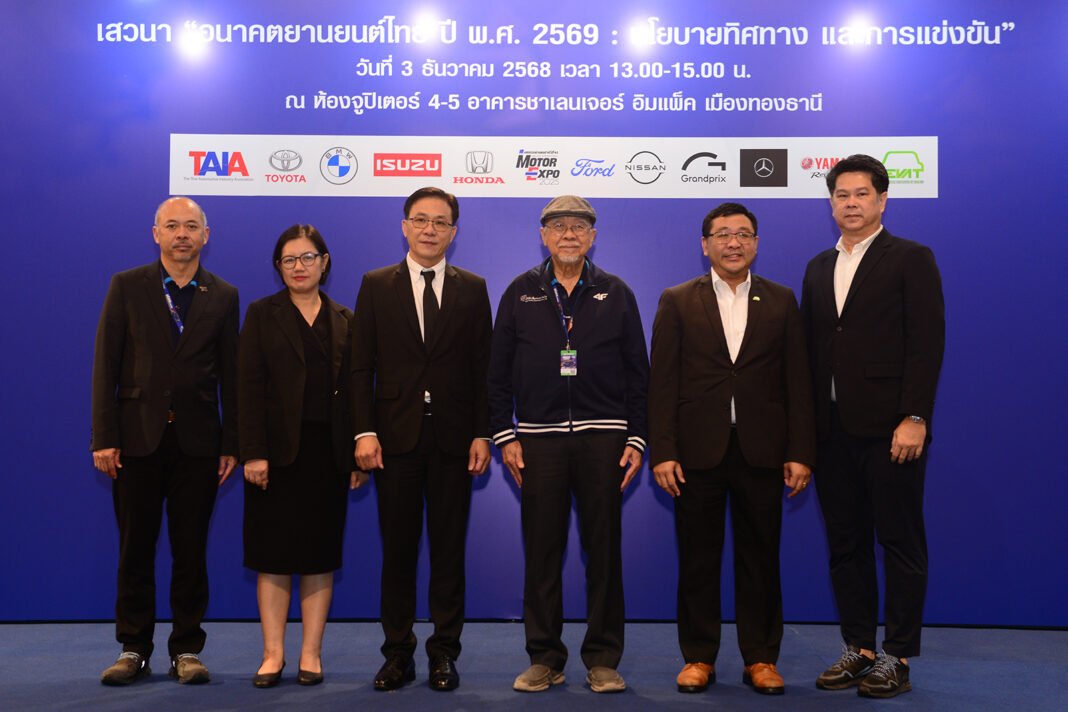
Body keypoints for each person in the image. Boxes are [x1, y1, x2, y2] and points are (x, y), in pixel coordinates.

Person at [648, 202, 816, 695]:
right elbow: (662, 383)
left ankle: (761, 658)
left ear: (756, 244)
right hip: (696, 452)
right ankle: (698, 656)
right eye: (723, 234)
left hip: (763, 450)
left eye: (743, 234)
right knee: (697, 559)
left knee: (760, 558)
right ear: (705, 245)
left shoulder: (781, 300)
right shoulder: (677, 300)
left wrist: (801, 450)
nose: (733, 242)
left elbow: (798, 382)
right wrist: (663, 450)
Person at [489, 195, 649, 694]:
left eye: (579, 226)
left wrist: (637, 438)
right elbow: (496, 373)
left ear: (593, 237)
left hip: (605, 440)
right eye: (558, 226)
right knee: (542, 554)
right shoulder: (520, 292)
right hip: (539, 441)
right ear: (543, 236)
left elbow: (639, 374)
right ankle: (545, 658)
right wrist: (505, 434)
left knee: (604, 554)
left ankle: (603, 659)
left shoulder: (616, 292)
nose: (569, 235)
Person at [801, 154, 945, 698]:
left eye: (862, 194)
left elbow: (926, 342)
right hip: (831, 431)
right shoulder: (818, 266)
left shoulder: (911, 258)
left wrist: (915, 416)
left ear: (883, 200)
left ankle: (898, 656)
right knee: (846, 544)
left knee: (900, 542)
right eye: (842, 195)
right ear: (831, 203)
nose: (852, 203)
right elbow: (813, 349)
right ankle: (859, 649)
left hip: (892, 432)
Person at [91, 196, 238, 685]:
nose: (181, 234)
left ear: (205, 236)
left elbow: (232, 375)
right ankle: (133, 648)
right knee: (135, 548)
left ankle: (186, 650)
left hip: (199, 443)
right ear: (156, 233)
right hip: (136, 440)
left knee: (190, 550)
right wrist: (104, 437)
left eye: (191, 226)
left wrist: (232, 442)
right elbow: (105, 364)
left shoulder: (223, 294)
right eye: (172, 226)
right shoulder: (127, 286)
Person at [351, 187, 492, 692]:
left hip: (455, 440)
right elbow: (360, 365)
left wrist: (483, 432)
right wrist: (364, 430)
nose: (430, 229)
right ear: (405, 226)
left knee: (449, 552)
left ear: (453, 231)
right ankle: (397, 653)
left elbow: (484, 369)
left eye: (440, 221)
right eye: (420, 219)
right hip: (394, 440)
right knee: (398, 552)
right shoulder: (375, 284)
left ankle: (444, 653)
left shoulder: (473, 288)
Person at [238, 225, 368, 688]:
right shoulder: (261, 314)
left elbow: (357, 393)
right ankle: (272, 655)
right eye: (289, 260)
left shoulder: (346, 318)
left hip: (328, 455)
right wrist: (253, 452)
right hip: (274, 458)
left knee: (318, 556)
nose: (299, 267)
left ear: (324, 262)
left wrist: (355, 456)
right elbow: (247, 387)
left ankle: (311, 654)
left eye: (308, 257)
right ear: (279, 267)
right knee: (273, 557)